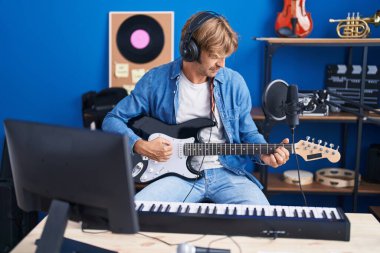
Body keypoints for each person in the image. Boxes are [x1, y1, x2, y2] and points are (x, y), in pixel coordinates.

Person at [102, 11, 290, 205]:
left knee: (261, 217)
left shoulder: (234, 83)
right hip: (175, 177)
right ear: (191, 50)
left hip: (227, 172)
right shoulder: (155, 80)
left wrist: (263, 152)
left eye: (225, 57)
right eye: (215, 56)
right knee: (137, 212)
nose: (222, 64)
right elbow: (112, 120)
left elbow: (248, 132)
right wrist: (140, 145)